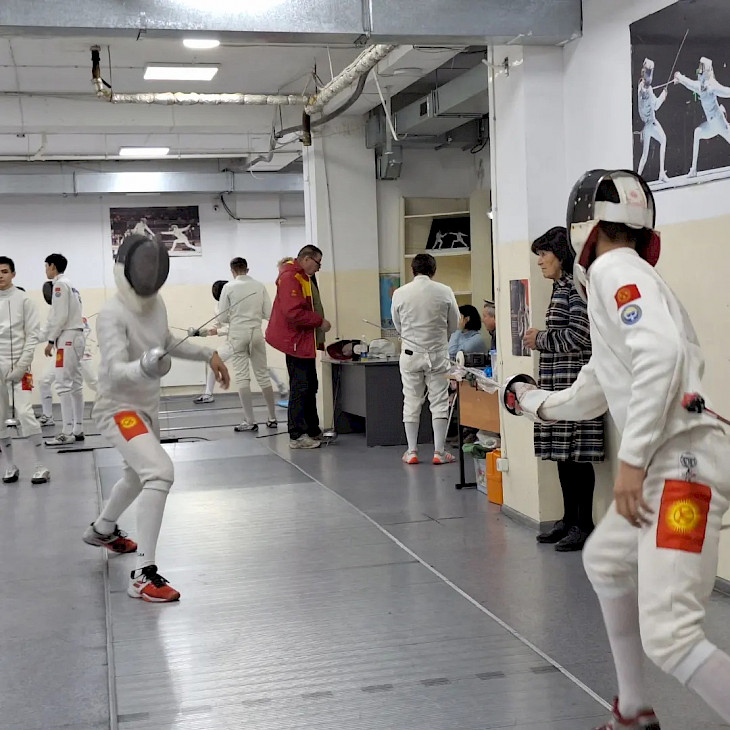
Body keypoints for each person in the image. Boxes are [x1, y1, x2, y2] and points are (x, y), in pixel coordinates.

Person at [509, 169, 730, 729]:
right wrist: (533, 402)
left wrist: (630, 465)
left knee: (672, 635)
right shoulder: (630, 277)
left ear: (583, 226)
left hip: (682, 471)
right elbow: (595, 388)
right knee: (606, 560)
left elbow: (659, 355)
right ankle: (633, 709)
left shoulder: (613, 270)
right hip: (673, 465)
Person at [82, 234, 229, 602]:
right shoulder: (112, 313)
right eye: (143, 267)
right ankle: (142, 574)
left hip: (146, 408)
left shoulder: (156, 303)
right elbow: (113, 371)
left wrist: (208, 353)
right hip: (119, 410)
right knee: (159, 472)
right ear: (127, 269)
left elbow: (165, 342)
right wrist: (145, 366)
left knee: (136, 476)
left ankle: (102, 529)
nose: (149, 274)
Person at [523, 226, 605, 552]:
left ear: (560, 255)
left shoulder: (576, 287)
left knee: (577, 457)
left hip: (575, 383)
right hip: (557, 383)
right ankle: (569, 519)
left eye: (544, 254)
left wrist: (540, 339)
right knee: (562, 457)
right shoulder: (560, 288)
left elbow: (581, 336)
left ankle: (584, 525)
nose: (540, 261)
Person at [391, 253, 459, 465]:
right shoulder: (445, 291)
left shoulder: (400, 293)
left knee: (411, 400)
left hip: (410, 355)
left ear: (412, 270)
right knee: (439, 402)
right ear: (433, 270)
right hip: (438, 354)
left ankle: (411, 451)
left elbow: (397, 325)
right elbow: (454, 323)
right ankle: (439, 452)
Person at [266, 245, 331, 449]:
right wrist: (319, 321)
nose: (319, 268)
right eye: (318, 263)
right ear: (306, 259)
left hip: (304, 341)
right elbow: (293, 312)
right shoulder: (291, 278)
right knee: (300, 387)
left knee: (310, 385)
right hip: (295, 341)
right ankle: (297, 435)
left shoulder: (303, 277)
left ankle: (312, 430)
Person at [192, 278, 289, 406]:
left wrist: (218, 331)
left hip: (247, 337)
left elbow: (235, 326)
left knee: (261, 367)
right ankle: (208, 394)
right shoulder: (218, 307)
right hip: (232, 342)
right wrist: (201, 332)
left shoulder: (239, 306)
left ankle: (281, 386)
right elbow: (216, 325)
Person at [0, 257, 51, 484]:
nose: (0, 275)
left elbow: (32, 336)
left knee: (24, 413)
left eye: (4, 271)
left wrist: (22, 366)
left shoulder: (24, 300)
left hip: (19, 365)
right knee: (0, 416)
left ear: (13, 274)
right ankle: (10, 466)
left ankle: (41, 466)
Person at [216, 258, 278, 432]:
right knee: (263, 375)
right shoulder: (259, 285)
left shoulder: (228, 287)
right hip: (256, 333)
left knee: (242, 377)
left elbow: (222, 317)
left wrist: (236, 316)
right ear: (247, 269)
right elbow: (269, 313)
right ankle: (272, 418)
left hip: (237, 334)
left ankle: (250, 421)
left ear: (232, 271)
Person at [40, 254, 85, 446]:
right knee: (75, 384)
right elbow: (55, 317)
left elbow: (60, 317)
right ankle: (78, 429)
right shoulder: (71, 285)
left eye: (46, 266)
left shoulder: (59, 285)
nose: (45, 270)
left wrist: (51, 341)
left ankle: (66, 432)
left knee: (62, 384)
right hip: (76, 337)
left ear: (53, 266)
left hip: (67, 338)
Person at [37, 282, 97, 426]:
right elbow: (48, 331)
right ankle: (48, 416)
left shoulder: (73, 311)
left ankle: (116, 406)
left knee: (93, 382)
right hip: (62, 353)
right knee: (44, 381)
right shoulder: (56, 310)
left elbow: (53, 331)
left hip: (80, 354)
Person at [674, 57, 730, 177]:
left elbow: (726, 92)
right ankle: (693, 169)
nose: (699, 69)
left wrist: (680, 78)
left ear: (707, 69)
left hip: (720, 123)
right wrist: (679, 77)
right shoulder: (700, 86)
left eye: (702, 66)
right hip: (711, 125)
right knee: (697, 132)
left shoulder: (712, 85)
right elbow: (689, 84)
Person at [637, 58, 669, 183]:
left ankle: (637, 178)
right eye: (649, 72)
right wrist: (663, 95)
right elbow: (656, 105)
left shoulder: (640, 86)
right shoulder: (647, 90)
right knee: (663, 140)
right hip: (651, 124)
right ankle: (661, 173)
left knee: (644, 155)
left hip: (646, 126)